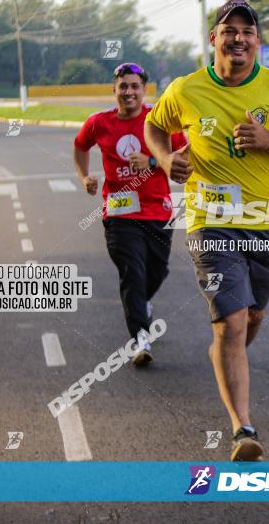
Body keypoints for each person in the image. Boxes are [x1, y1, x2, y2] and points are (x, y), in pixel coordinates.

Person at [144, 0, 269, 461]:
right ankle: (243, 428)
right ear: (214, 40)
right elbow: (154, 126)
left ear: (257, 41)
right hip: (211, 223)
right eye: (230, 30)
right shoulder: (185, 90)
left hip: (267, 224)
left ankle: (227, 350)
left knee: (251, 318)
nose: (239, 38)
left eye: (247, 31)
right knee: (230, 322)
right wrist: (167, 159)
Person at [73, 63, 186, 366]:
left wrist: (152, 160)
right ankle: (140, 338)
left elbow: (184, 151)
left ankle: (142, 305)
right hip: (120, 214)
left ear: (144, 90)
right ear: (114, 90)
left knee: (157, 271)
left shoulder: (158, 122)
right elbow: (80, 145)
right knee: (132, 272)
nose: (129, 92)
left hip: (157, 211)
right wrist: (85, 177)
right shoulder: (99, 123)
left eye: (135, 86)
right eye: (123, 86)